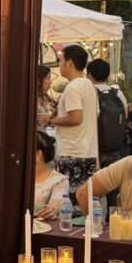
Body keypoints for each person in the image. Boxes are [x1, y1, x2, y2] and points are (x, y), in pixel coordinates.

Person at [50, 45, 99, 207]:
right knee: (84, 201)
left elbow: (76, 118)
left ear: (70, 62)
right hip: (87, 150)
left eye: (61, 60)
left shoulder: (72, 87)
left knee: (70, 204)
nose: (59, 65)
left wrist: (52, 120)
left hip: (71, 152)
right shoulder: (88, 85)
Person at [86, 58, 127, 168]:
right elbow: (125, 115)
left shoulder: (89, 92)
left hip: (94, 148)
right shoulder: (117, 93)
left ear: (89, 75)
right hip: (114, 147)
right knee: (113, 176)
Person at [34, 132, 69, 220]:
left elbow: (58, 201)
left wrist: (52, 209)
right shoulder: (14, 177)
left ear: (38, 154)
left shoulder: (59, 180)